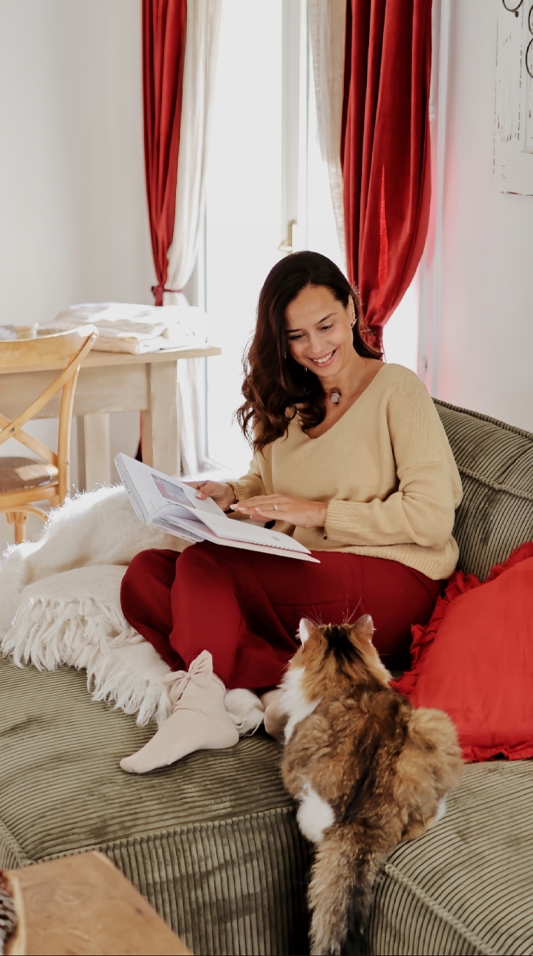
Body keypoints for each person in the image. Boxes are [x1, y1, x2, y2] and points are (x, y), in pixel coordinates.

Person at [119, 251, 463, 774]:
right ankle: (279, 685)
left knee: (204, 567)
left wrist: (320, 513)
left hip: (396, 579)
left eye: (325, 325)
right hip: (308, 573)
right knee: (146, 576)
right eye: (296, 336)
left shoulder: (397, 389)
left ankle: (200, 704)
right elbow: (267, 479)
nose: (315, 347)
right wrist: (231, 493)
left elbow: (432, 516)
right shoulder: (291, 398)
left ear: (351, 309)